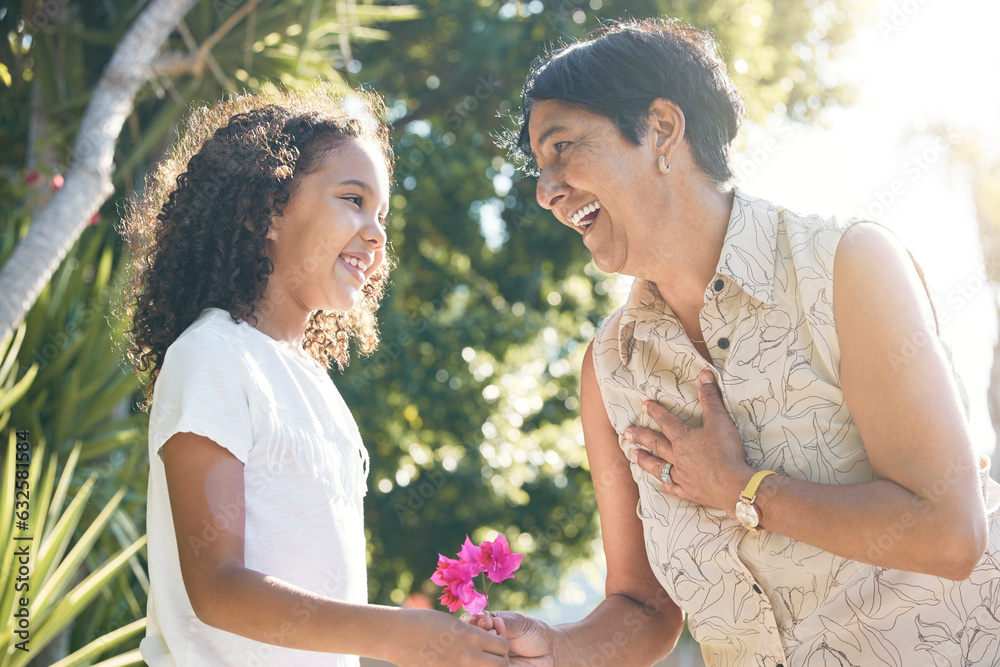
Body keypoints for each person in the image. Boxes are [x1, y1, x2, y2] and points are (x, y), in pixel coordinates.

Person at [469, 17, 1000, 666]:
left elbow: (949, 532)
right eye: (538, 167)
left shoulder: (846, 268)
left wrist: (742, 489)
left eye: (562, 148)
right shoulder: (609, 367)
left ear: (661, 129)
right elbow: (642, 606)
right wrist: (553, 646)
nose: (545, 192)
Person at [123, 87, 510, 666]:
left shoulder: (316, 387)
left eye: (382, 215)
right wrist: (406, 635)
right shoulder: (211, 354)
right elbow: (217, 588)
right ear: (266, 211)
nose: (377, 235)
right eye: (353, 199)